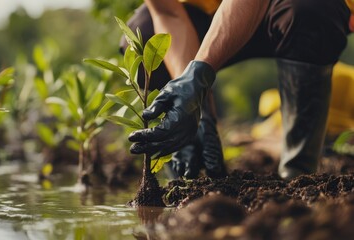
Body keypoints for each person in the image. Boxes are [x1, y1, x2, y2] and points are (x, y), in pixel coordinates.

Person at [122, 0, 354, 180]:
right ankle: (190, 174)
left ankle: (300, 174)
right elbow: (168, 12)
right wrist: (195, 105)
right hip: (207, 11)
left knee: (310, 11)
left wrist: (199, 75)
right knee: (145, 35)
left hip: (294, 8)